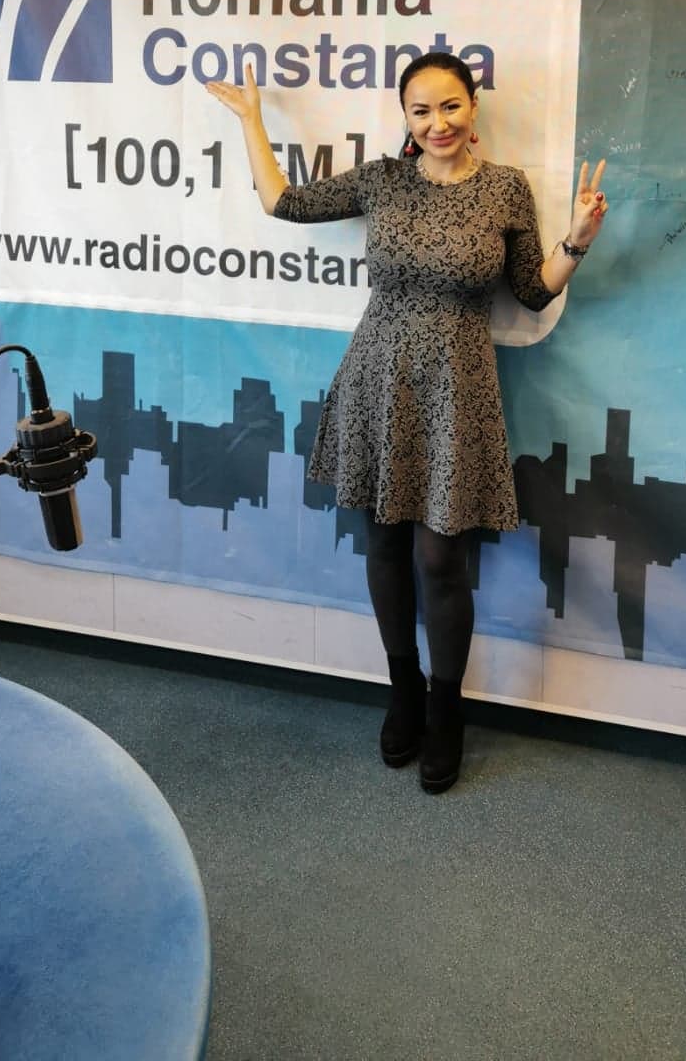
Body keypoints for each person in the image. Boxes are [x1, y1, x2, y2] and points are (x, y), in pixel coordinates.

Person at [206, 52, 607, 793]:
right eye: (421, 111)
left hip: (458, 390)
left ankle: (447, 709)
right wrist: (253, 120)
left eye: (450, 106)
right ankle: (404, 691)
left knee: (441, 559)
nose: (437, 123)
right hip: (377, 380)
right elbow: (283, 203)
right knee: (384, 545)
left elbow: (531, 290)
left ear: (473, 107)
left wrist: (578, 237)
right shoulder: (382, 180)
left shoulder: (505, 189)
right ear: (406, 118)